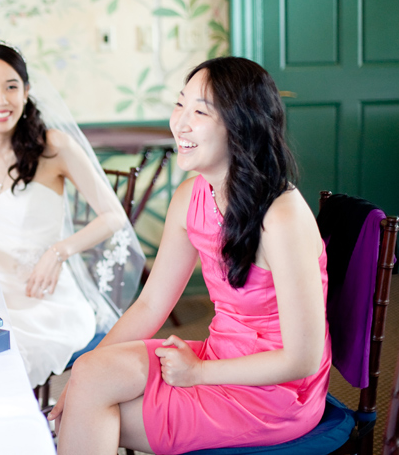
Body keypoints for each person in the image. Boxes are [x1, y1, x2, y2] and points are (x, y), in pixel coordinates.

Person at [49, 57, 331, 453]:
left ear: (241, 126)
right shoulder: (190, 197)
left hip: (274, 393)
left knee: (89, 414)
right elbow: (150, 303)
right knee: (89, 372)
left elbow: (303, 358)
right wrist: (78, 382)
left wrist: (200, 372)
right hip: (220, 355)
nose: (180, 123)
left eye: (200, 111)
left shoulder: (282, 216)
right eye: (180, 104)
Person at [0, 40, 146, 388]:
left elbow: (113, 216)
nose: (1, 99)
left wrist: (59, 252)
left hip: (47, 302)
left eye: (12, 86)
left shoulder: (54, 146)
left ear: (26, 90)